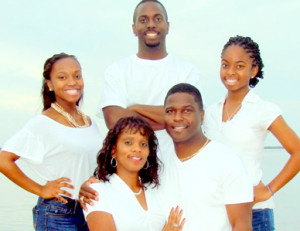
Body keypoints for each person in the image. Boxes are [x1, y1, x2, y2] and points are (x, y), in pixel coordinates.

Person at [81, 83, 253, 231]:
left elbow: (242, 224)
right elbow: (122, 185)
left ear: (201, 115)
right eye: (170, 111)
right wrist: (89, 187)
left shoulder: (226, 160)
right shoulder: (159, 162)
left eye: (187, 110)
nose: (177, 117)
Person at [202, 35, 300, 231]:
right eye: (225, 64)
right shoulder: (210, 113)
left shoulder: (263, 110)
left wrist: (269, 190)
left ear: (253, 70)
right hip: (218, 214)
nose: (230, 72)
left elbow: (297, 151)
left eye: (239, 66)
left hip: (255, 213)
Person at [0, 53, 102, 230]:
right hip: (57, 212)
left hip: (88, 211)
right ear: (50, 84)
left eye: (77, 75)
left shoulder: (90, 123)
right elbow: (3, 159)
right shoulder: (43, 123)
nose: (72, 82)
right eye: (62, 77)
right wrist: (41, 189)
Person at [99, 0, 202, 153]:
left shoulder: (187, 71)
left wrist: (135, 109)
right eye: (143, 20)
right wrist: (169, 119)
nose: (151, 24)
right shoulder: (116, 71)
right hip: (133, 167)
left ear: (168, 26)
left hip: (178, 163)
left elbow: (192, 119)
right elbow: (114, 120)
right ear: (134, 29)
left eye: (158, 19)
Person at [84, 116, 185, 231]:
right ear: (113, 151)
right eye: (128, 142)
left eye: (143, 144)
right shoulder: (97, 192)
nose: (137, 149)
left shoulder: (155, 190)